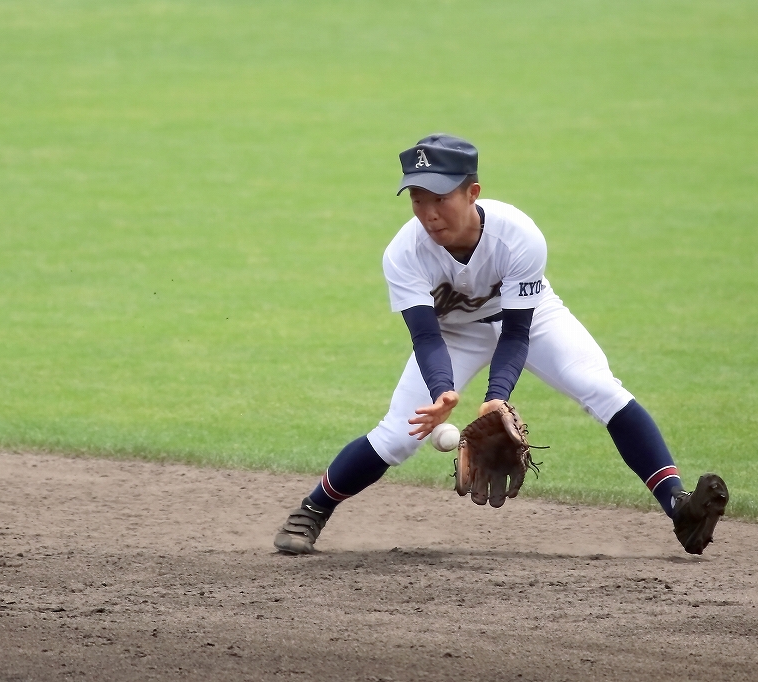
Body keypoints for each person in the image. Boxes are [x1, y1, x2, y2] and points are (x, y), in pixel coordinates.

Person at [273, 134, 728, 556]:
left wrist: (496, 400)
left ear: (472, 192)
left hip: (530, 318)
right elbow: (427, 335)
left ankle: (678, 508)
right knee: (397, 435)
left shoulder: (518, 235)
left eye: (440, 199)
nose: (428, 213)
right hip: (454, 334)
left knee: (600, 389)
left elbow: (516, 332)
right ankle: (312, 510)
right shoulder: (404, 253)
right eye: (417, 199)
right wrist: (443, 391)